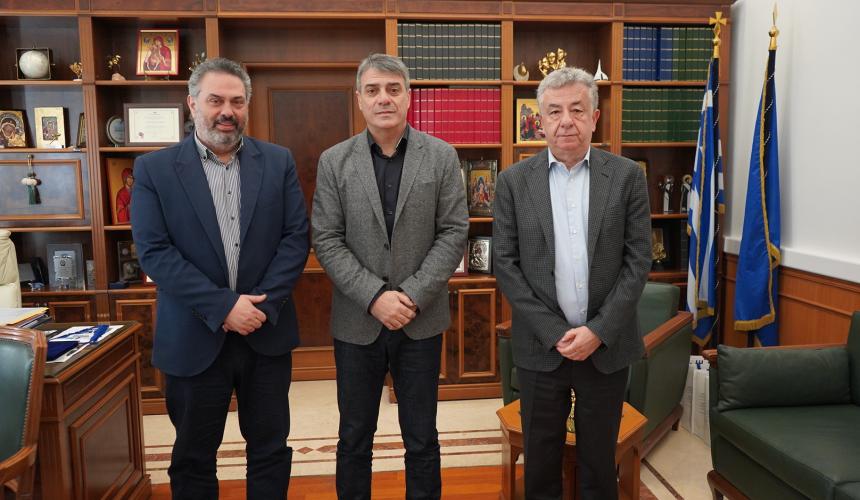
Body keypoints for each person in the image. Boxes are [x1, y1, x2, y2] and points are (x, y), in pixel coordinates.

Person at [130, 57, 309, 499]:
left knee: (270, 449)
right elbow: (155, 252)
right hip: (193, 335)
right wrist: (225, 307)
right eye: (215, 100)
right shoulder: (154, 169)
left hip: (265, 333)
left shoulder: (278, 161)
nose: (226, 111)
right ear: (193, 104)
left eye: (236, 101)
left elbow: (295, 238)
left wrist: (259, 307)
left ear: (247, 105)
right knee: (193, 457)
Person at [311, 53, 468, 500]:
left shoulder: (440, 156)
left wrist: (412, 295)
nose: (384, 98)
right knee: (354, 437)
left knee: (421, 438)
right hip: (357, 322)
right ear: (359, 99)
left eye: (393, 89)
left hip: (421, 321)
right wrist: (375, 296)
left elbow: (454, 231)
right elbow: (326, 238)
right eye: (374, 90)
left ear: (408, 97)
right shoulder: (334, 161)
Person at [492, 66, 651, 500]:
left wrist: (598, 331)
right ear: (539, 121)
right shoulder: (512, 182)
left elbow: (638, 261)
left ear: (595, 118)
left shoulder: (626, 176)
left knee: (599, 463)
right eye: (555, 111)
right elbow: (506, 264)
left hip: (606, 347)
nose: (566, 121)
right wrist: (554, 331)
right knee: (541, 463)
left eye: (577, 110)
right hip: (541, 347)